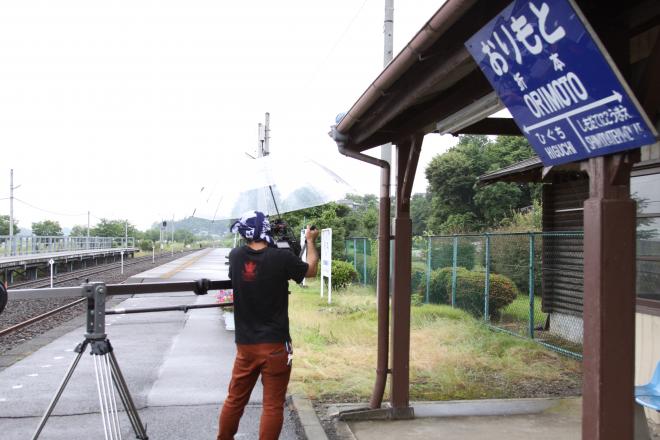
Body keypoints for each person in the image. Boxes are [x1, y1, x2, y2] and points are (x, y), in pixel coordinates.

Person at [218, 210, 319, 440]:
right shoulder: (281, 258)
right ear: (266, 231)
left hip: (246, 345)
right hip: (275, 345)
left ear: (244, 233)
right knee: (272, 405)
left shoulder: (235, 256)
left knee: (234, 400)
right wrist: (310, 242)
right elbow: (310, 270)